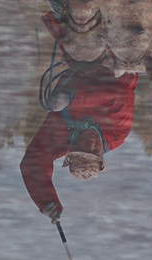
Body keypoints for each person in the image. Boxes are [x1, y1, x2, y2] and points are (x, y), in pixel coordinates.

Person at [20, 13, 139, 222]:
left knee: (60, 12)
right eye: (94, 152)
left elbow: (33, 162)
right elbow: (120, 95)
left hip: (80, 57)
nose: (91, 145)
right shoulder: (118, 134)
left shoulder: (60, 137)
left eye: (83, 148)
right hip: (119, 58)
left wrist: (45, 201)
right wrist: (71, 98)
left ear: (71, 149)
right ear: (102, 156)